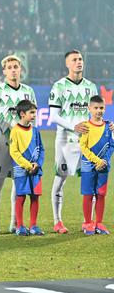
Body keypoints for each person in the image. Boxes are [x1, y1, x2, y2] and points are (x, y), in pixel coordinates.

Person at [0, 55, 36, 234]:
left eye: (16, 66)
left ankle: (14, 222)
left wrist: (30, 141)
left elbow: (32, 118)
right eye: (9, 67)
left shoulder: (29, 91)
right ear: (4, 71)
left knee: (18, 184)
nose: (13, 70)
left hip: (21, 146)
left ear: (21, 69)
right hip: (2, 144)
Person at [48, 50, 100, 234]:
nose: (79, 62)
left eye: (80, 59)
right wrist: (73, 125)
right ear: (67, 64)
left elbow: (96, 113)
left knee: (90, 178)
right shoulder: (59, 86)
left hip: (86, 139)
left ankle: (88, 221)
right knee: (60, 177)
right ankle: (57, 221)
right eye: (74, 60)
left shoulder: (91, 87)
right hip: (64, 139)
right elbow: (53, 116)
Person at [9, 100, 45, 237]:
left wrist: (38, 164)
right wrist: (28, 165)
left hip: (36, 170)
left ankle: (33, 225)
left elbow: (41, 149)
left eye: (35, 112)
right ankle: (20, 226)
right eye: (32, 113)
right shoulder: (15, 131)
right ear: (22, 114)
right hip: (21, 170)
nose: (34, 115)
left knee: (35, 197)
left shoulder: (35, 131)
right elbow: (14, 152)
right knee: (21, 196)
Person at [79, 95, 113, 235]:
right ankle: (87, 223)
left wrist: (104, 160)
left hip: (104, 166)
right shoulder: (86, 126)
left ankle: (99, 222)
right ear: (89, 108)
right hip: (88, 165)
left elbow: (111, 145)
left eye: (101, 108)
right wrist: (97, 160)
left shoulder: (108, 126)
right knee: (88, 194)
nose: (99, 111)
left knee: (101, 194)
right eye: (96, 108)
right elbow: (83, 147)